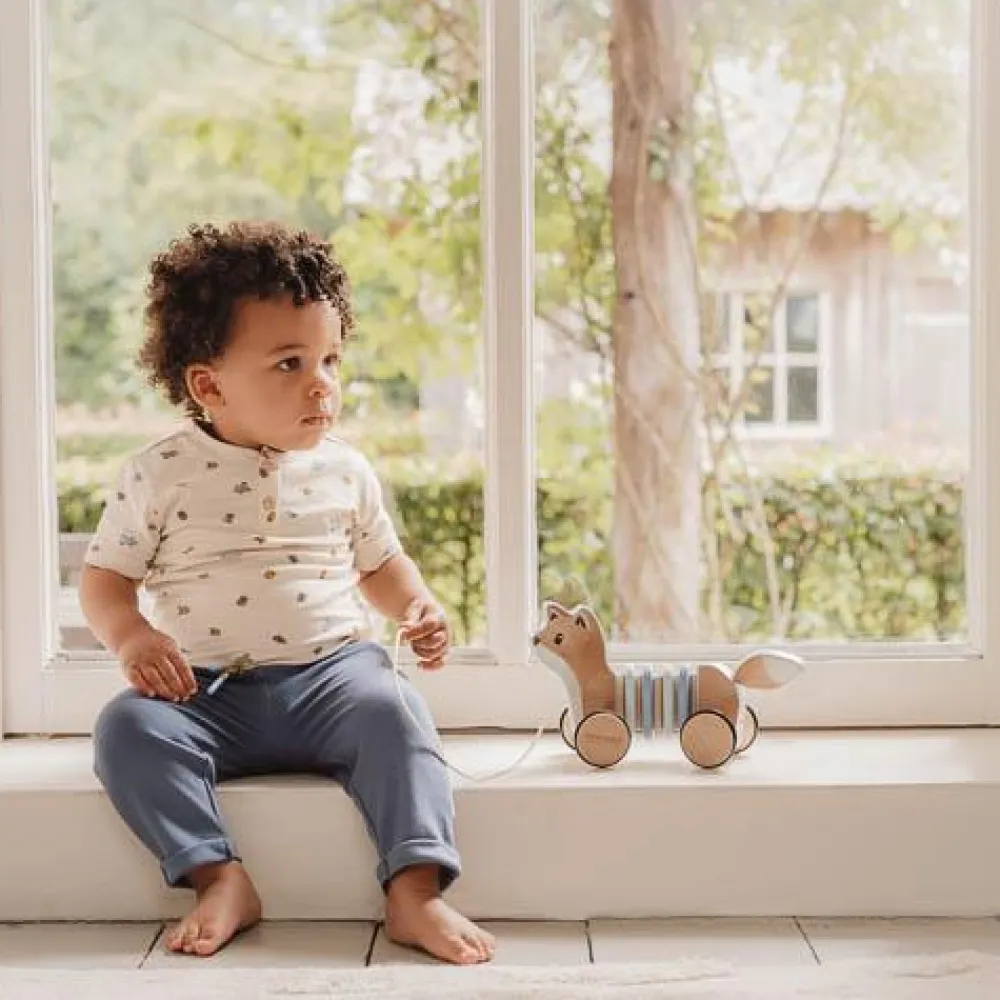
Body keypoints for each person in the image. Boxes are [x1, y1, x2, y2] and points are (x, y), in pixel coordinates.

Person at [80, 220, 496, 965]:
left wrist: (418, 607)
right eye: (289, 363)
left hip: (334, 678)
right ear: (208, 385)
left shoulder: (344, 468)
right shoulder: (160, 473)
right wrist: (132, 637)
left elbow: (379, 562)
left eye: (331, 359)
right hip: (203, 693)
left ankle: (415, 889)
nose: (322, 384)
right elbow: (106, 578)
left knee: (396, 716)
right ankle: (220, 876)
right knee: (125, 732)